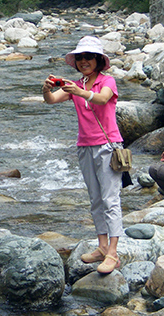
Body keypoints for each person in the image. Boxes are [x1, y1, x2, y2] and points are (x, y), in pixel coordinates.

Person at [42, 36, 123, 274]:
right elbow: (51, 101)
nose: (84, 61)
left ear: (98, 60)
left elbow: (102, 98)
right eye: (80, 58)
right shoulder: (75, 85)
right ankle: (102, 245)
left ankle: (113, 253)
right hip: (85, 146)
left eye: (88, 57)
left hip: (108, 147)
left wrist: (80, 91)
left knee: (110, 199)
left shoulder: (107, 81)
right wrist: (46, 89)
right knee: (96, 199)